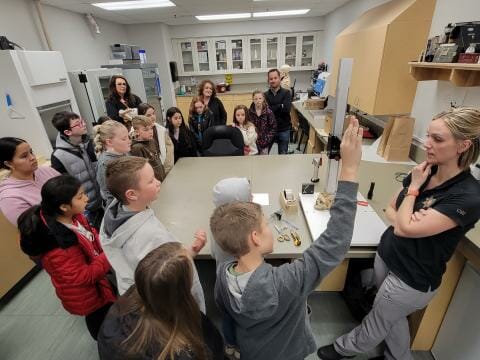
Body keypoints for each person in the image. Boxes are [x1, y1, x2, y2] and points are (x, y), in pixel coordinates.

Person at [318, 107, 480, 360]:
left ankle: (343, 349)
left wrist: (413, 192)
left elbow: (403, 225)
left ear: (463, 145)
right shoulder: (426, 170)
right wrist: (407, 221)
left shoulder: (468, 196)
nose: (427, 144)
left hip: (411, 276)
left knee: (378, 320)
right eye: (428, 136)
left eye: (437, 139)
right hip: (388, 256)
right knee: (392, 318)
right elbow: (391, 209)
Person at [210, 117, 363, 359]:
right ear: (255, 238)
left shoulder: (222, 273)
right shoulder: (286, 282)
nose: (270, 226)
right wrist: (350, 170)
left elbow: (224, 309)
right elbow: (335, 242)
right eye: (266, 225)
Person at [99, 156, 207, 313]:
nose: (158, 182)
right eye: (151, 181)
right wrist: (190, 254)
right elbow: (168, 274)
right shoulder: (149, 236)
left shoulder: (116, 211)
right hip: (169, 302)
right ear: (132, 194)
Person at [17, 175, 116, 340]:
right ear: (63, 206)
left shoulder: (74, 215)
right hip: (87, 295)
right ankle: (105, 345)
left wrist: (101, 245)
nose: (86, 198)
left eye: (84, 193)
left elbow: (89, 235)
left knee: (109, 312)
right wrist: (108, 254)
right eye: (80, 196)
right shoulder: (60, 246)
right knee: (99, 321)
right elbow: (83, 276)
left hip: (99, 279)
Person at [97, 243, 224, 360]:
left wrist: (184, 259)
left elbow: (160, 276)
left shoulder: (128, 301)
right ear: (179, 293)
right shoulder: (183, 351)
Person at [211, 177, 252, 359]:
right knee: (243, 318)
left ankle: (229, 344)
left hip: (222, 281)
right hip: (243, 284)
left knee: (227, 315)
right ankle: (241, 348)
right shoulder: (245, 231)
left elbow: (213, 254)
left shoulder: (216, 222)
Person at [50, 111, 103, 228]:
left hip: (100, 202)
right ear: (68, 132)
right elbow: (64, 190)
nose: (83, 124)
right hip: (85, 210)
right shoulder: (58, 156)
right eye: (78, 124)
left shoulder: (85, 144)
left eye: (82, 121)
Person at [0, 137, 59, 227]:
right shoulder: (10, 197)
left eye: (31, 152)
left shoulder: (47, 171)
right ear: (9, 164)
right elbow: (32, 228)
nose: (32, 158)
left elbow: (72, 190)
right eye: (24, 156)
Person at [93, 120, 131, 208]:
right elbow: (110, 195)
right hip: (120, 208)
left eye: (128, 137)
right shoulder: (105, 164)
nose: (129, 141)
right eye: (124, 139)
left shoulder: (124, 153)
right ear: (109, 142)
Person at [138, 102, 174, 175]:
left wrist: (166, 169)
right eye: (148, 115)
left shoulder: (162, 130)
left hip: (164, 168)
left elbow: (169, 150)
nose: (152, 117)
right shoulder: (135, 133)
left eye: (153, 113)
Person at [264, 68, 292, 154]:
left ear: (280, 78)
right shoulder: (265, 95)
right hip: (269, 130)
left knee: (283, 156)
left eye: (275, 78)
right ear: (268, 80)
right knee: (264, 154)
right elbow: (266, 112)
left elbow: (286, 109)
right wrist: (280, 106)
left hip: (283, 129)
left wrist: (272, 108)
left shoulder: (287, 93)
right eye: (271, 79)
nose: (273, 80)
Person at [130, 115, 166, 181]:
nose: (150, 131)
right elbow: (140, 171)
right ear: (136, 131)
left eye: (151, 128)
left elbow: (157, 159)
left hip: (161, 178)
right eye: (146, 129)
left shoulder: (152, 141)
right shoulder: (137, 148)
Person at [249, 90, 276, 155]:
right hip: (253, 143)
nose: (258, 100)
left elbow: (273, 128)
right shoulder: (249, 112)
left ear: (263, 99)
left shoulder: (268, 112)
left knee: (263, 162)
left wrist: (267, 140)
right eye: (256, 99)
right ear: (253, 99)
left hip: (265, 143)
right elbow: (246, 125)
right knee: (253, 162)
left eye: (260, 98)